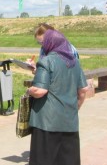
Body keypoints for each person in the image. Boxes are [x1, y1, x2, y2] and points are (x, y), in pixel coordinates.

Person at [27, 29, 89, 165]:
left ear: (49, 43)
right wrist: (75, 108)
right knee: (68, 160)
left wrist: (29, 91)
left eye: (43, 43)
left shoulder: (46, 61)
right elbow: (83, 89)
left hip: (46, 123)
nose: (42, 46)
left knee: (44, 160)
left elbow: (40, 91)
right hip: (69, 121)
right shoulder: (74, 62)